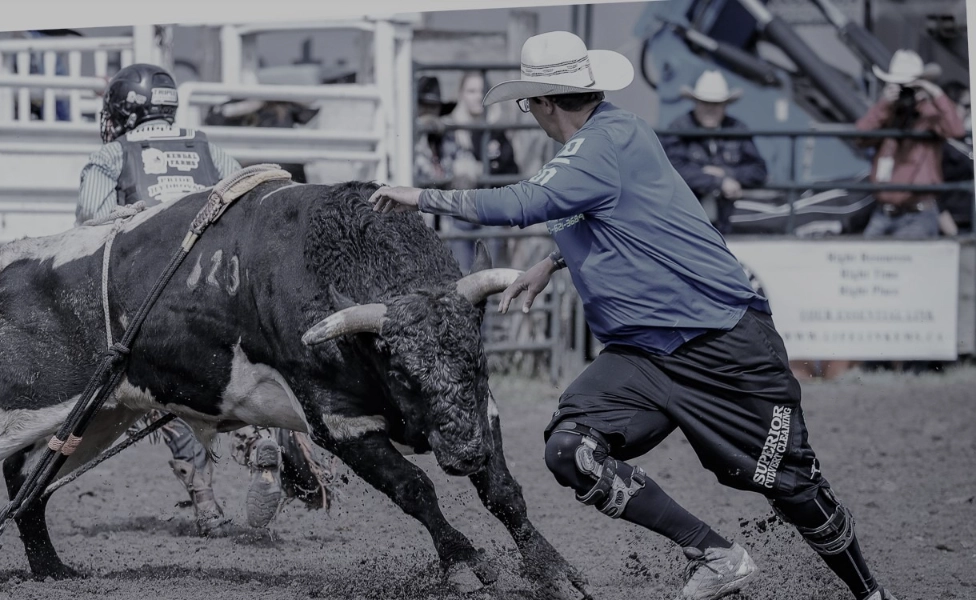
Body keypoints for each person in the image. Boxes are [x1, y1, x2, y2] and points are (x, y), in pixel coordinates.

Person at [368, 31, 895, 600]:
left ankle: (871, 595)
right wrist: (551, 262)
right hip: (644, 352)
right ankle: (716, 554)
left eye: (529, 103)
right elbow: (619, 219)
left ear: (544, 102)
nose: (532, 114)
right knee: (571, 448)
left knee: (792, 484)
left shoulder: (603, 143)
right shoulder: (605, 141)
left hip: (721, 342)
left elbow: (522, 204)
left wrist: (420, 195)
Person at [77, 63, 317, 532]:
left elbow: (92, 223)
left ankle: (206, 503)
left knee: (155, 387)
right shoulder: (208, 147)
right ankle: (258, 446)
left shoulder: (112, 155)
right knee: (232, 375)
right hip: (219, 290)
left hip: (155, 296)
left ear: (125, 109)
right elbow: (247, 208)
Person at [856, 48, 966, 239]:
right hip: (883, 213)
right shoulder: (887, 114)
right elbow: (860, 137)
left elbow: (956, 130)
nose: (905, 92)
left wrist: (935, 93)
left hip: (918, 214)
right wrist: (884, 104)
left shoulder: (930, 114)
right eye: (900, 86)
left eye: (909, 86)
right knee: (869, 262)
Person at [661, 70, 768, 234]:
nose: (710, 109)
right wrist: (717, 181)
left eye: (716, 103)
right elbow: (673, 169)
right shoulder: (679, 128)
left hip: (727, 219)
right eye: (705, 102)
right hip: (688, 220)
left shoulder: (737, 128)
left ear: (725, 105)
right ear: (695, 102)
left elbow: (759, 170)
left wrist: (725, 173)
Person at [445, 70, 520, 271]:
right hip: (457, 212)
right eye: (471, 91)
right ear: (461, 93)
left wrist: (481, 171)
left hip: (490, 209)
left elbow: (510, 169)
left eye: (482, 90)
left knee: (490, 273)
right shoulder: (449, 128)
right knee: (459, 273)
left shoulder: (497, 128)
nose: (478, 96)